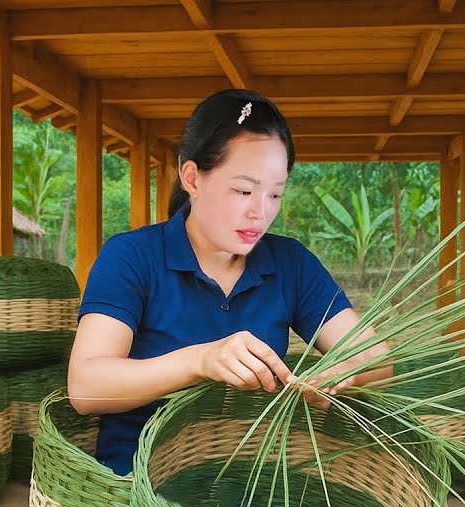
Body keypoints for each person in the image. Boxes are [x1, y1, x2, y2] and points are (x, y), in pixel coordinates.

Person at [67, 89, 392, 476]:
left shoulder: (290, 263)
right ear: (192, 177)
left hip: (256, 483)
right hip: (142, 485)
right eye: (243, 191)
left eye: (275, 194)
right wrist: (199, 360)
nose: (261, 212)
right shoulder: (132, 257)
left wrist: (343, 373)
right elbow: (85, 386)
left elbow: (378, 359)